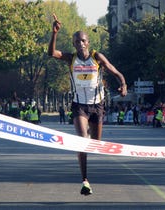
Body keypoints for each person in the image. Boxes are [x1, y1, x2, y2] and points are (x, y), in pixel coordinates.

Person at [48, 14, 127, 196]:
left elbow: (115, 71)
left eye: (83, 41)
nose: (80, 44)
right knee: (82, 142)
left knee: (95, 144)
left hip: (97, 105)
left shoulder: (97, 57)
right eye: (77, 42)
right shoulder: (71, 58)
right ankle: (85, 180)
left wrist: (123, 83)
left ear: (88, 42)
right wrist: (54, 33)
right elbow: (52, 53)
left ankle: (89, 132)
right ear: (74, 44)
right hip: (79, 106)